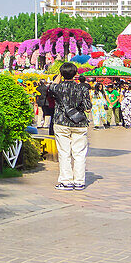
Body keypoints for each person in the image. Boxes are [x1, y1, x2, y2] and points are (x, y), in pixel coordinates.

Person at [48, 62, 92, 190]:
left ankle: (66, 181)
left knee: (64, 153)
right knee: (79, 153)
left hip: (61, 122)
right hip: (79, 123)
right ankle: (79, 181)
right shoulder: (82, 88)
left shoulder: (57, 88)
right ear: (76, 74)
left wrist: (59, 77)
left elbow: (52, 86)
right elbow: (88, 108)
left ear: (61, 74)